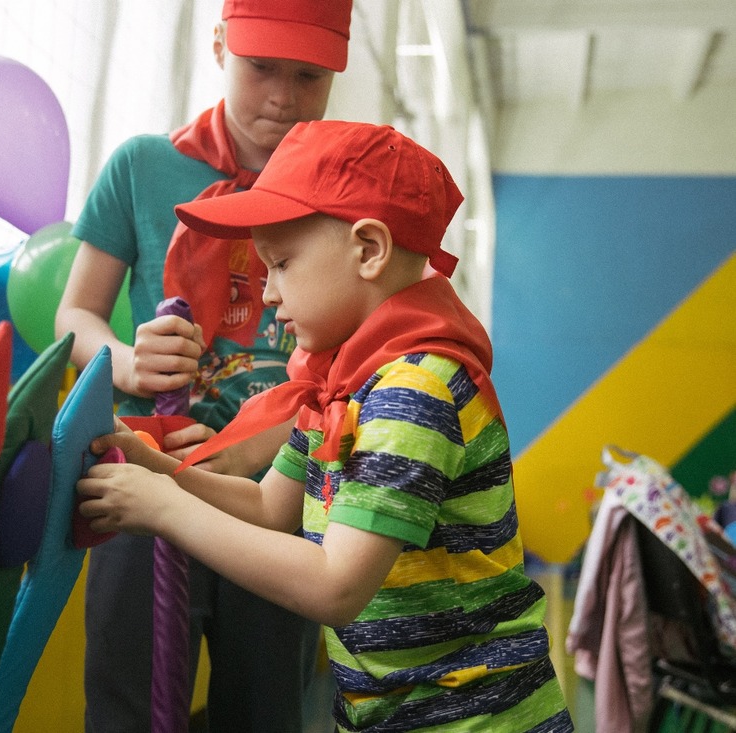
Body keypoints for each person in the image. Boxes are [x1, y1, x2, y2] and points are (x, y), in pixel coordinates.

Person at [76, 121, 574, 732]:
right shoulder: (344, 386)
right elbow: (264, 506)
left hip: (473, 719)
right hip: (391, 713)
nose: (267, 294)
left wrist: (163, 509)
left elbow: (335, 586)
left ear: (369, 250)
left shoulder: (412, 391)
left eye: (281, 264)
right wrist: (157, 468)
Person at [56, 1, 353, 731]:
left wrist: (282, 441)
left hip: (280, 501)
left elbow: (358, 352)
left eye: (308, 77)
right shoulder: (143, 167)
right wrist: (127, 361)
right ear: (220, 45)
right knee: (128, 707)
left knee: (266, 710)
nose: (282, 96)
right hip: (147, 476)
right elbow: (72, 318)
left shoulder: (343, 197)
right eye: (260, 69)